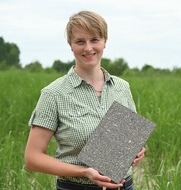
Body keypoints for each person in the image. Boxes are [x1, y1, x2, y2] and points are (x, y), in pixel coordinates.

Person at [24, 10, 145, 190]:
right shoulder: (53, 94)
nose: (88, 48)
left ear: (104, 42)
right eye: (80, 41)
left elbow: (131, 140)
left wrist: (137, 151)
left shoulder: (122, 87)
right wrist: (84, 172)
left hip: (125, 186)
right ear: (71, 45)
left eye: (94, 40)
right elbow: (32, 159)